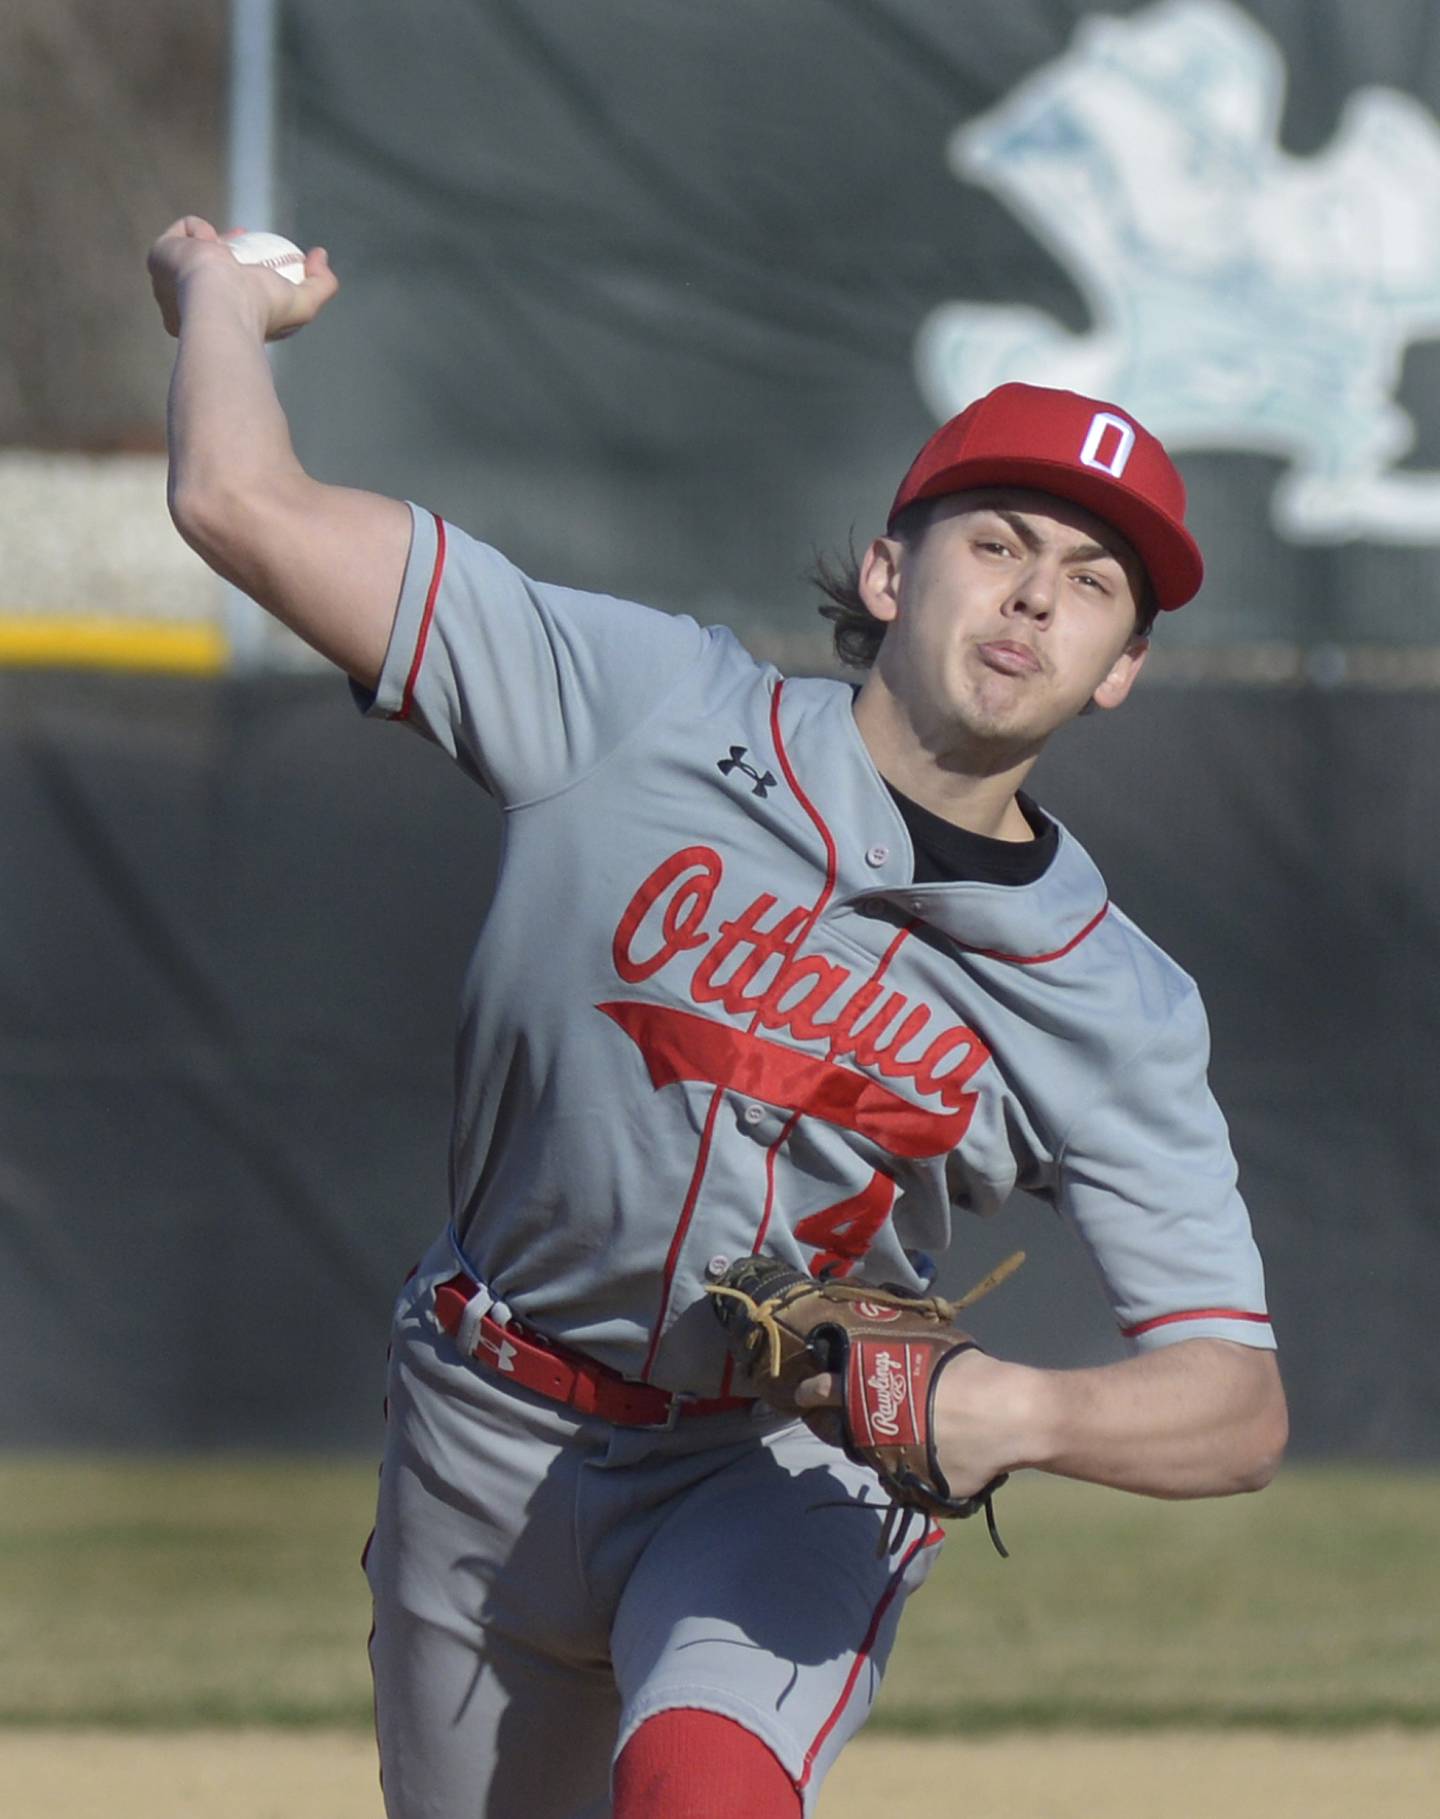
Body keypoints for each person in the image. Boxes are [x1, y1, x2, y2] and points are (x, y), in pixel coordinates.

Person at [147, 216, 1287, 1819]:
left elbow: (1234, 1404)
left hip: (782, 1464)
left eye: (1094, 583)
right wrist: (215, 302)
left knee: (705, 1785)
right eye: (1000, 542)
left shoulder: (1111, 996)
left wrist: (1015, 1410)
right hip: (487, 1425)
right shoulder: (631, 706)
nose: (1038, 596)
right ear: (891, 569)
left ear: (1121, 669)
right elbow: (236, 503)